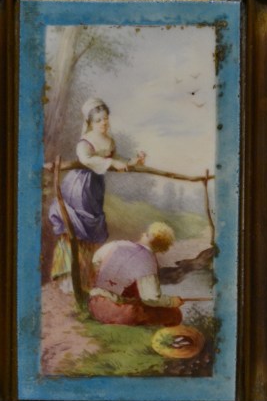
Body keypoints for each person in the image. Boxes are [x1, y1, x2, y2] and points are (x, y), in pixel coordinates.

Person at [48, 97, 144, 289]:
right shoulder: (85, 141)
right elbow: (87, 160)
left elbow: (117, 160)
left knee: (90, 231)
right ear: (90, 122)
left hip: (95, 188)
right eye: (99, 120)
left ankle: (84, 278)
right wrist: (111, 162)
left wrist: (133, 161)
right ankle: (68, 279)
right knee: (77, 228)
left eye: (106, 118)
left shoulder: (109, 141)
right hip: (79, 186)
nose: (104, 123)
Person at [87, 222, 183, 327]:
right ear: (161, 248)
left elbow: (95, 260)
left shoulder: (117, 244)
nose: (143, 233)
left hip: (94, 304)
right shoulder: (149, 262)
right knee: (175, 313)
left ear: (146, 236)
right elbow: (150, 298)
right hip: (118, 312)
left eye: (146, 233)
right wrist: (172, 301)